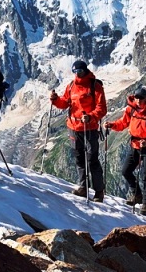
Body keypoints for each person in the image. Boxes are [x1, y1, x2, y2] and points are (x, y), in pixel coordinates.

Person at [50, 60, 107, 202]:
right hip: (74, 128)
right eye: (75, 72)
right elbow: (65, 103)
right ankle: (83, 187)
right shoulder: (71, 86)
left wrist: (91, 117)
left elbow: (102, 108)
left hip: (90, 128)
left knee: (92, 159)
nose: (78, 74)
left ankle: (99, 192)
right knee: (79, 159)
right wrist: (56, 100)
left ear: (85, 70)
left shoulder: (95, 86)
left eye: (80, 71)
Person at [104, 87, 146, 215]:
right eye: (136, 97)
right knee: (126, 171)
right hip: (135, 145)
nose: (138, 100)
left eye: (141, 98)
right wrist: (112, 125)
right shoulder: (131, 109)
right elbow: (123, 123)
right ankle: (137, 195)